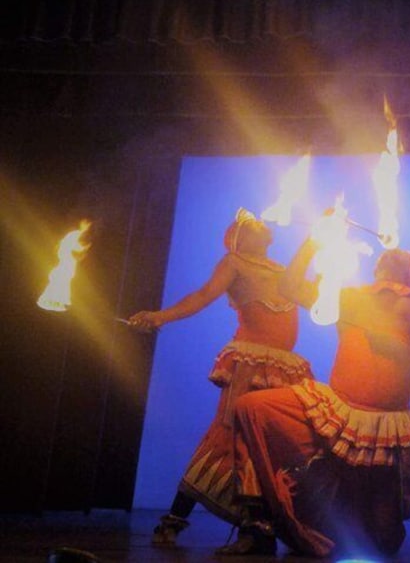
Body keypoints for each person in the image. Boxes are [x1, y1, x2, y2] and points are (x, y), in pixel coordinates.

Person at [217, 245, 410, 558]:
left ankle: (336, 519)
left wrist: (400, 351)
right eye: (390, 257)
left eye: (406, 259)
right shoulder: (350, 296)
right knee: (252, 407)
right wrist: (317, 240)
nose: (397, 257)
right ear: (378, 269)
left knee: (384, 541)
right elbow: (289, 286)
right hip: (336, 409)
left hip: (384, 426)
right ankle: (259, 524)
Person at [128, 208, 314, 549]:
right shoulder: (234, 263)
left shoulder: (284, 271)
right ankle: (187, 518)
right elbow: (201, 297)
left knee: (270, 446)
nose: (259, 221)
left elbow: (316, 299)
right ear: (238, 239)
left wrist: (321, 246)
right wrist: (159, 317)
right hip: (251, 364)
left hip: (286, 370)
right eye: (249, 223)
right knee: (233, 439)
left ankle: (257, 528)